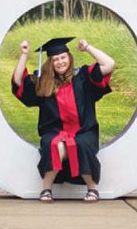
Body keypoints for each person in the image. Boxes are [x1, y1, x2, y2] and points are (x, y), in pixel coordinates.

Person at [11, 37, 115, 203]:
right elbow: (18, 83)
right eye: (55, 59)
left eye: (63, 57)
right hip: (54, 132)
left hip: (84, 131)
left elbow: (109, 64)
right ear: (50, 63)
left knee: (80, 143)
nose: (60, 62)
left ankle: (92, 189)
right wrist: (24, 54)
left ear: (69, 57)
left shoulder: (83, 77)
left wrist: (88, 47)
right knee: (55, 144)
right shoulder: (44, 83)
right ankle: (46, 188)